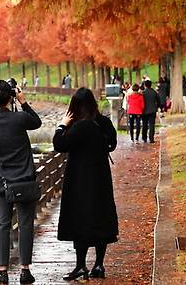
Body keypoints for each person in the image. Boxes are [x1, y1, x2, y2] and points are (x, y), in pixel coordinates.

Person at [0, 80, 42, 285]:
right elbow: (36, 122)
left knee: (3, 224)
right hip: (23, 181)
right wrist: (22, 102)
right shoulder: (20, 119)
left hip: (0, 181)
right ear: (10, 97)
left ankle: (2, 272)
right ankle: (25, 271)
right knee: (25, 224)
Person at [53, 88, 118, 280]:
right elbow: (112, 144)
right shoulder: (103, 122)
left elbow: (59, 145)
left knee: (80, 219)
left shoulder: (78, 126)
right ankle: (99, 265)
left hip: (79, 179)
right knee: (100, 217)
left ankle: (81, 265)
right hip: (100, 177)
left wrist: (61, 126)